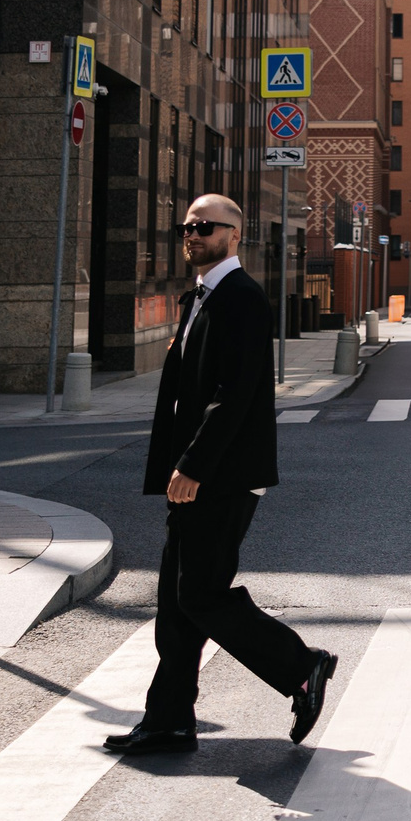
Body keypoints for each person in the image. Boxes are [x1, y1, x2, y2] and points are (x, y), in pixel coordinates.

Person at [105, 194, 337, 755]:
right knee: (176, 601)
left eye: (205, 226)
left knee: (201, 597)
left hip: (221, 475)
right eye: (187, 226)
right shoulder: (201, 298)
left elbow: (234, 396)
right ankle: (168, 721)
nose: (193, 233)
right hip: (197, 475)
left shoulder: (241, 298)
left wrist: (193, 466)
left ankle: (301, 667)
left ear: (235, 235)